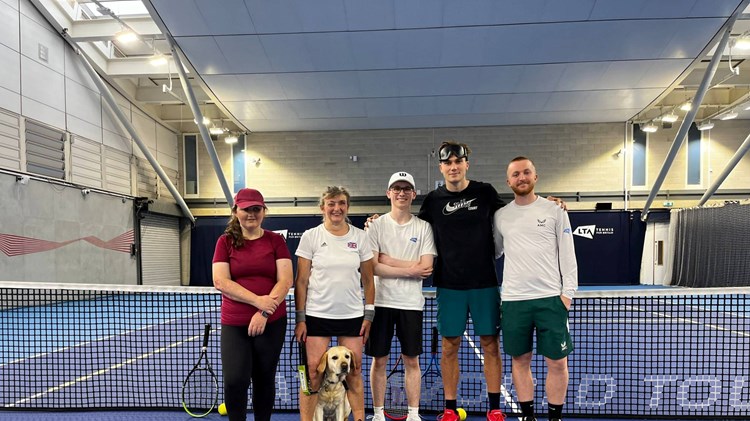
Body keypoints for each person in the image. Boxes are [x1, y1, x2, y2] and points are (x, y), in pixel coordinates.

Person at [418, 141, 507, 421]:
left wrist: (548, 203)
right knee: (448, 347)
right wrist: (376, 220)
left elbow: (514, 215)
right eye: (448, 163)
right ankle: (449, 408)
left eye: (459, 162)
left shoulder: (485, 192)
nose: (453, 167)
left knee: (490, 345)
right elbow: (413, 230)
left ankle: (494, 408)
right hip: (449, 285)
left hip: (484, 284)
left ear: (467, 163)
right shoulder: (432, 200)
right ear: (441, 167)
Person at [493, 157, 578, 421]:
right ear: (509, 182)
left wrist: (567, 295)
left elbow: (568, 255)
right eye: (516, 174)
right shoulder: (500, 216)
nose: (522, 178)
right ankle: (528, 416)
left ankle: (555, 417)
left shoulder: (555, 210)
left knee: (557, 363)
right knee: (520, 361)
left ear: (535, 176)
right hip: (514, 301)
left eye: (526, 172)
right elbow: (494, 251)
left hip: (551, 300)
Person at [294, 186, 376, 421]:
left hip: (351, 316)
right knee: (313, 374)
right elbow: (301, 281)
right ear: (323, 207)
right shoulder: (311, 236)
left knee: (354, 372)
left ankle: (359, 419)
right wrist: (301, 319)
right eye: (331, 203)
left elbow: (369, 280)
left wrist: (368, 316)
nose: (336, 208)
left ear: (347, 207)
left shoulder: (360, 237)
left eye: (341, 203)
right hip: (317, 316)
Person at [212, 188, 293, 421]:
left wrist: (265, 313)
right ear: (235, 211)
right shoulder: (224, 242)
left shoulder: (275, 240)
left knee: (264, 378)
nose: (251, 214)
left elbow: (286, 279)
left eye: (256, 209)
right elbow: (220, 281)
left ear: (263, 212)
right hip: (235, 323)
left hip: (272, 323)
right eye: (246, 209)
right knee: (235, 380)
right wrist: (259, 302)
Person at [366, 172, 437, 421]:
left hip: (410, 305)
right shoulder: (376, 226)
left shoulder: (424, 227)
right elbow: (373, 267)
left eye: (407, 189)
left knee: (412, 361)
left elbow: (426, 268)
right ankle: (377, 413)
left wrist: (388, 260)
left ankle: (414, 413)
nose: (401, 192)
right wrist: (411, 269)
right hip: (380, 303)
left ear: (414, 194)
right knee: (379, 360)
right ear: (389, 193)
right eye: (396, 188)